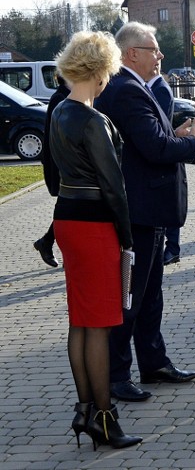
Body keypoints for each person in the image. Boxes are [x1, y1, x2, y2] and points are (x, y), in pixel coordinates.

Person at [94, 21, 195, 403]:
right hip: (138, 211)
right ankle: (116, 375)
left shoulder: (133, 88)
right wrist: (191, 142)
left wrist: (175, 138)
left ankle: (154, 362)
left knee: (149, 293)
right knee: (130, 295)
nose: (160, 56)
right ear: (131, 54)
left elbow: (152, 142)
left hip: (147, 210)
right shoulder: (126, 91)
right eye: (153, 49)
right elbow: (155, 149)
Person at [51, 31, 142, 449]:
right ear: (101, 70)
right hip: (94, 227)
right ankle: (105, 417)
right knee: (101, 324)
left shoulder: (59, 113)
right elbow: (113, 185)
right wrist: (126, 237)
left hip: (69, 222)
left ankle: (86, 411)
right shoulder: (91, 119)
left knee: (81, 320)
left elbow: (58, 179)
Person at [33, 75, 71, 268]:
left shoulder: (67, 95)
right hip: (60, 162)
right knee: (68, 206)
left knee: (68, 206)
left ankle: (46, 242)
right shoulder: (60, 98)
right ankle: (48, 243)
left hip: (65, 161)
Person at [149, 72, 182, 266]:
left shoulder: (160, 88)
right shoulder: (154, 86)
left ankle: (172, 248)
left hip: (164, 154)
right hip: (163, 152)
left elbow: (160, 124)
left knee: (169, 206)